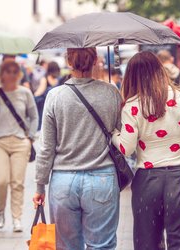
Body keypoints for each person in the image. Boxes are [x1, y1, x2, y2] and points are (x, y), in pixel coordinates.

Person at [112, 51, 180, 250]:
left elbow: (127, 147)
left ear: (132, 77)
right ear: (160, 70)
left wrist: (114, 134)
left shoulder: (132, 106)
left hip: (147, 182)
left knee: (147, 243)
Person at [33, 48, 122, 250]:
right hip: (102, 179)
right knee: (102, 246)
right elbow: (121, 134)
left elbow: (46, 148)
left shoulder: (55, 96)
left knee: (66, 247)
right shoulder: (111, 92)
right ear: (95, 61)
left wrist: (40, 186)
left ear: (69, 62)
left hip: (63, 181)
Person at [0, 60, 38, 232]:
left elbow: (34, 116)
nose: (10, 74)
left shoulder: (25, 93)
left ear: (18, 74)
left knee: (17, 182)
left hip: (20, 142)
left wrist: (30, 138)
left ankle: (16, 218)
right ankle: (0, 209)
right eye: (7, 71)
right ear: (1, 74)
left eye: (14, 71)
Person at [34, 61, 61, 130]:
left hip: (45, 107)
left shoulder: (45, 79)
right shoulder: (59, 80)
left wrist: (33, 96)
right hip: (57, 108)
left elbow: (39, 92)